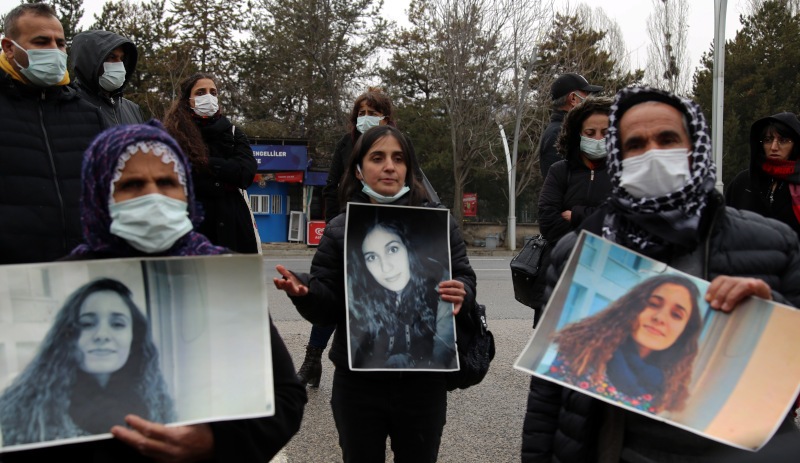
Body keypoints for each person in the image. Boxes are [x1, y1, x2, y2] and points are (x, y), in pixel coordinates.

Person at [521, 86, 800, 462]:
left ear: (694, 146)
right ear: (618, 158)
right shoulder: (578, 253)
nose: (652, 153)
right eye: (635, 144)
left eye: (668, 138)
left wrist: (771, 317)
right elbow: (547, 402)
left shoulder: (773, 244)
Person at [1, 121, 306, 462]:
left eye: (166, 182)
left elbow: (286, 398)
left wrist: (213, 442)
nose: (153, 196)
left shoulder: (222, 276)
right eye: (132, 184)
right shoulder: (64, 282)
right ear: (99, 192)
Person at [274, 125, 476, 462]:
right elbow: (328, 308)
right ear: (358, 169)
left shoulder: (437, 226)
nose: (389, 167)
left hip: (423, 386)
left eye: (398, 158)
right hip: (358, 386)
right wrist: (305, 292)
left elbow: (465, 277)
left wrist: (463, 293)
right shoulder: (341, 229)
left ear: (409, 168)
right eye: (377, 157)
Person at [296, 87, 397, 387]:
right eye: (361, 113)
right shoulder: (346, 144)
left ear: (385, 118)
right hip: (348, 229)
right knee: (333, 293)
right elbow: (330, 187)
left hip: (384, 233)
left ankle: (384, 361)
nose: (365, 118)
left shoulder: (397, 146)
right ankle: (312, 360)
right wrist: (333, 228)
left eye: (372, 113)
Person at [0, 278, 174, 446]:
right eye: (87, 324)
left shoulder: (156, 402)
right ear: (67, 336)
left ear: (134, 336)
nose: (102, 335)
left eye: (118, 324)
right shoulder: (22, 410)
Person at [0, 3, 105, 264]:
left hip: (82, 267)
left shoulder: (88, 115)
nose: (54, 51)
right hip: (12, 275)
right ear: (9, 48)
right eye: (41, 41)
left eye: (60, 43)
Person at [545, 274, 702, 414]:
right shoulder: (583, 352)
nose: (660, 318)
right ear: (633, 307)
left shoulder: (667, 390)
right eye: (653, 304)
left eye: (676, 315)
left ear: (685, 331)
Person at [531, 97, 613, 323]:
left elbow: (624, 222)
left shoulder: (625, 174)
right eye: (590, 132)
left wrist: (576, 214)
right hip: (560, 275)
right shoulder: (560, 171)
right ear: (577, 134)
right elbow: (548, 221)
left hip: (608, 279)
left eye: (605, 133)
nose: (598, 139)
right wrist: (598, 221)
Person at [163, 72, 259, 254]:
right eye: (200, 92)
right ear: (187, 100)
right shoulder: (173, 135)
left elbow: (245, 174)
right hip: (190, 224)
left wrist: (204, 162)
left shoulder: (232, 133)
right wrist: (225, 171)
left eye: (213, 92)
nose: (208, 97)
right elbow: (177, 175)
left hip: (233, 226)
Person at [347, 215, 456, 370]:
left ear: (408, 248)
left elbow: (442, 354)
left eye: (392, 249)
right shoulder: (357, 301)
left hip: (423, 384)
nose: (385, 267)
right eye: (371, 257)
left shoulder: (439, 289)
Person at [726, 112, 800, 237]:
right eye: (768, 140)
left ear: (796, 145)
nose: (774, 147)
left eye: (783, 140)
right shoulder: (743, 182)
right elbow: (724, 229)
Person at [70, 30, 144, 126]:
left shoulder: (133, 109)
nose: (119, 64)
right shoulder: (69, 107)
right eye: (112, 57)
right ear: (90, 62)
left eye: (121, 58)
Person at [538, 72, 602, 179]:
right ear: (573, 98)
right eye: (587, 94)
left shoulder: (567, 129)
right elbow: (561, 182)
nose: (591, 100)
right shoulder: (560, 133)